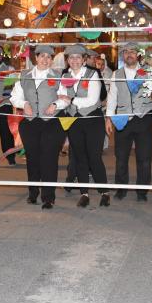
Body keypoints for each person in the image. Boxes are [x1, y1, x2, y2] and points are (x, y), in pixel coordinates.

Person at [10, 45, 66, 209]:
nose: (45, 60)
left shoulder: (58, 76)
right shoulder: (24, 76)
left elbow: (65, 98)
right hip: (30, 123)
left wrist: (56, 104)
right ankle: (33, 193)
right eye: (42, 56)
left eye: (49, 57)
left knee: (49, 159)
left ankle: (48, 197)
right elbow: (15, 97)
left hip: (52, 123)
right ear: (36, 58)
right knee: (33, 159)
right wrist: (24, 103)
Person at [57, 44, 110, 207]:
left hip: (93, 120)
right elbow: (61, 97)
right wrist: (54, 105)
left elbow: (92, 100)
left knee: (94, 157)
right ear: (67, 60)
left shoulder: (93, 73)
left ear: (84, 59)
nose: (74, 60)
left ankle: (104, 192)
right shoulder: (65, 74)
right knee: (79, 157)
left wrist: (70, 100)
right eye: (71, 57)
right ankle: (84, 193)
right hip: (74, 121)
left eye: (78, 57)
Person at [105, 42, 152, 201]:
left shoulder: (148, 72)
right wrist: (108, 118)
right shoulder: (116, 74)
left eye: (132, 52)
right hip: (122, 120)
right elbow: (112, 97)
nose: (129, 54)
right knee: (121, 157)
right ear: (123, 55)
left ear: (138, 55)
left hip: (143, 118)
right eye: (126, 52)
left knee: (144, 158)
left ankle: (142, 191)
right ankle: (121, 188)